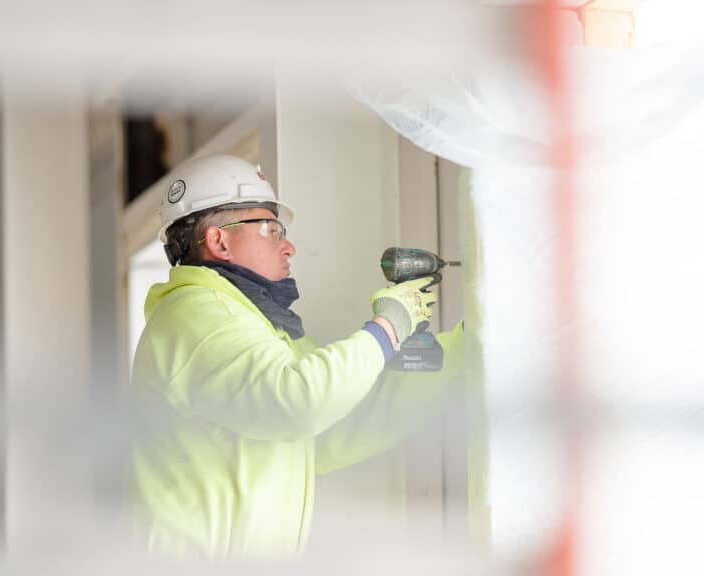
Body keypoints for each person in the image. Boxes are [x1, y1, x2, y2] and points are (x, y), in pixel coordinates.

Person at [127, 154, 464, 559]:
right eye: (270, 229)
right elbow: (298, 402)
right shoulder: (195, 313)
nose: (288, 245)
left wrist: (467, 348)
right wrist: (388, 328)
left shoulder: (255, 324)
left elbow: (330, 426)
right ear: (219, 240)